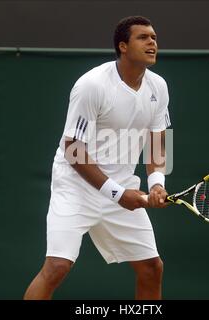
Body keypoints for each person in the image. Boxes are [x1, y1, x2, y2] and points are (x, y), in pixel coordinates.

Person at [24, 16, 171, 300]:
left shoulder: (159, 87)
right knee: (56, 267)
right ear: (123, 46)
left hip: (122, 186)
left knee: (152, 268)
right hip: (76, 187)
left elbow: (159, 142)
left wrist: (156, 183)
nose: (152, 42)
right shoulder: (92, 85)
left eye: (154, 37)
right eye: (143, 37)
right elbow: (72, 149)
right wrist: (117, 194)